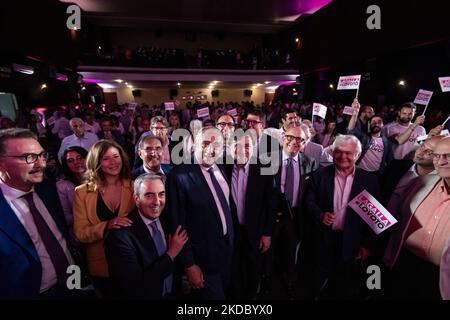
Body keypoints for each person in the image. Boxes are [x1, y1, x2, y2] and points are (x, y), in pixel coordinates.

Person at [0, 128, 76, 299]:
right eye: (29, 157)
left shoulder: (48, 188)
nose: (41, 164)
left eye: (42, 155)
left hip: (73, 277)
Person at [305, 134, 380, 299]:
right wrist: (319, 215)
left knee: (344, 286)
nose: (343, 156)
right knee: (318, 282)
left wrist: (368, 245)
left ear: (357, 155)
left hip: (353, 242)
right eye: (338, 152)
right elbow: (308, 202)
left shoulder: (370, 181)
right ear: (332, 152)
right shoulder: (319, 175)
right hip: (323, 239)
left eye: (348, 153)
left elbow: (374, 219)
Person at [167, 127, 234, 299]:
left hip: (226, 254)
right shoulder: (178, 176)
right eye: (205, 143)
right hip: (201, 261)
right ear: (195, 144)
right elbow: (177, 225)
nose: (211, 149)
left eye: (216, 144)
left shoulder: (220, 167)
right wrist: (189, 265)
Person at [383, 137, 450, 299]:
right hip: (402, 264)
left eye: (448, 156)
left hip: (442, 280)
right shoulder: (421, 182)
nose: (441, 162)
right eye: (437, 156)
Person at [105, 174, 188, 299]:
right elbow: (135, 285)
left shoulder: (168, 220)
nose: (157, 202)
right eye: (149, 195)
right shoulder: (119, 236)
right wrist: (171, 254)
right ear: (136, 199)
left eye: (161, 194)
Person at [73, 139, 135, 298]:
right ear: (96, 162)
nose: (113, 162)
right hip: (101, 266)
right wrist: (107, 225)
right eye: (106, 158)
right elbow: (80, 233)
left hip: (133, 263)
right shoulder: (81, 192)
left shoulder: (134, 186)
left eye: (116, 156)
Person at [227, 133, 277, 299]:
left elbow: (271, 204)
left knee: (253, 269)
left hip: (255, 231)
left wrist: (267, 233)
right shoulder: (223, 168)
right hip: (230, 231)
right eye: (237, 146)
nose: (241, 150)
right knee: (233, 269)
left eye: (247, 146)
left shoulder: (264, 167)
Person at [57, 146, 88, 245]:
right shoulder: (62, 186)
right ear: (66, 165)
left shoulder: (100, 178)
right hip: (81, 235)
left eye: (79, 158)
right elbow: (65, 219)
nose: (76, 162)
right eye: (70, 161)